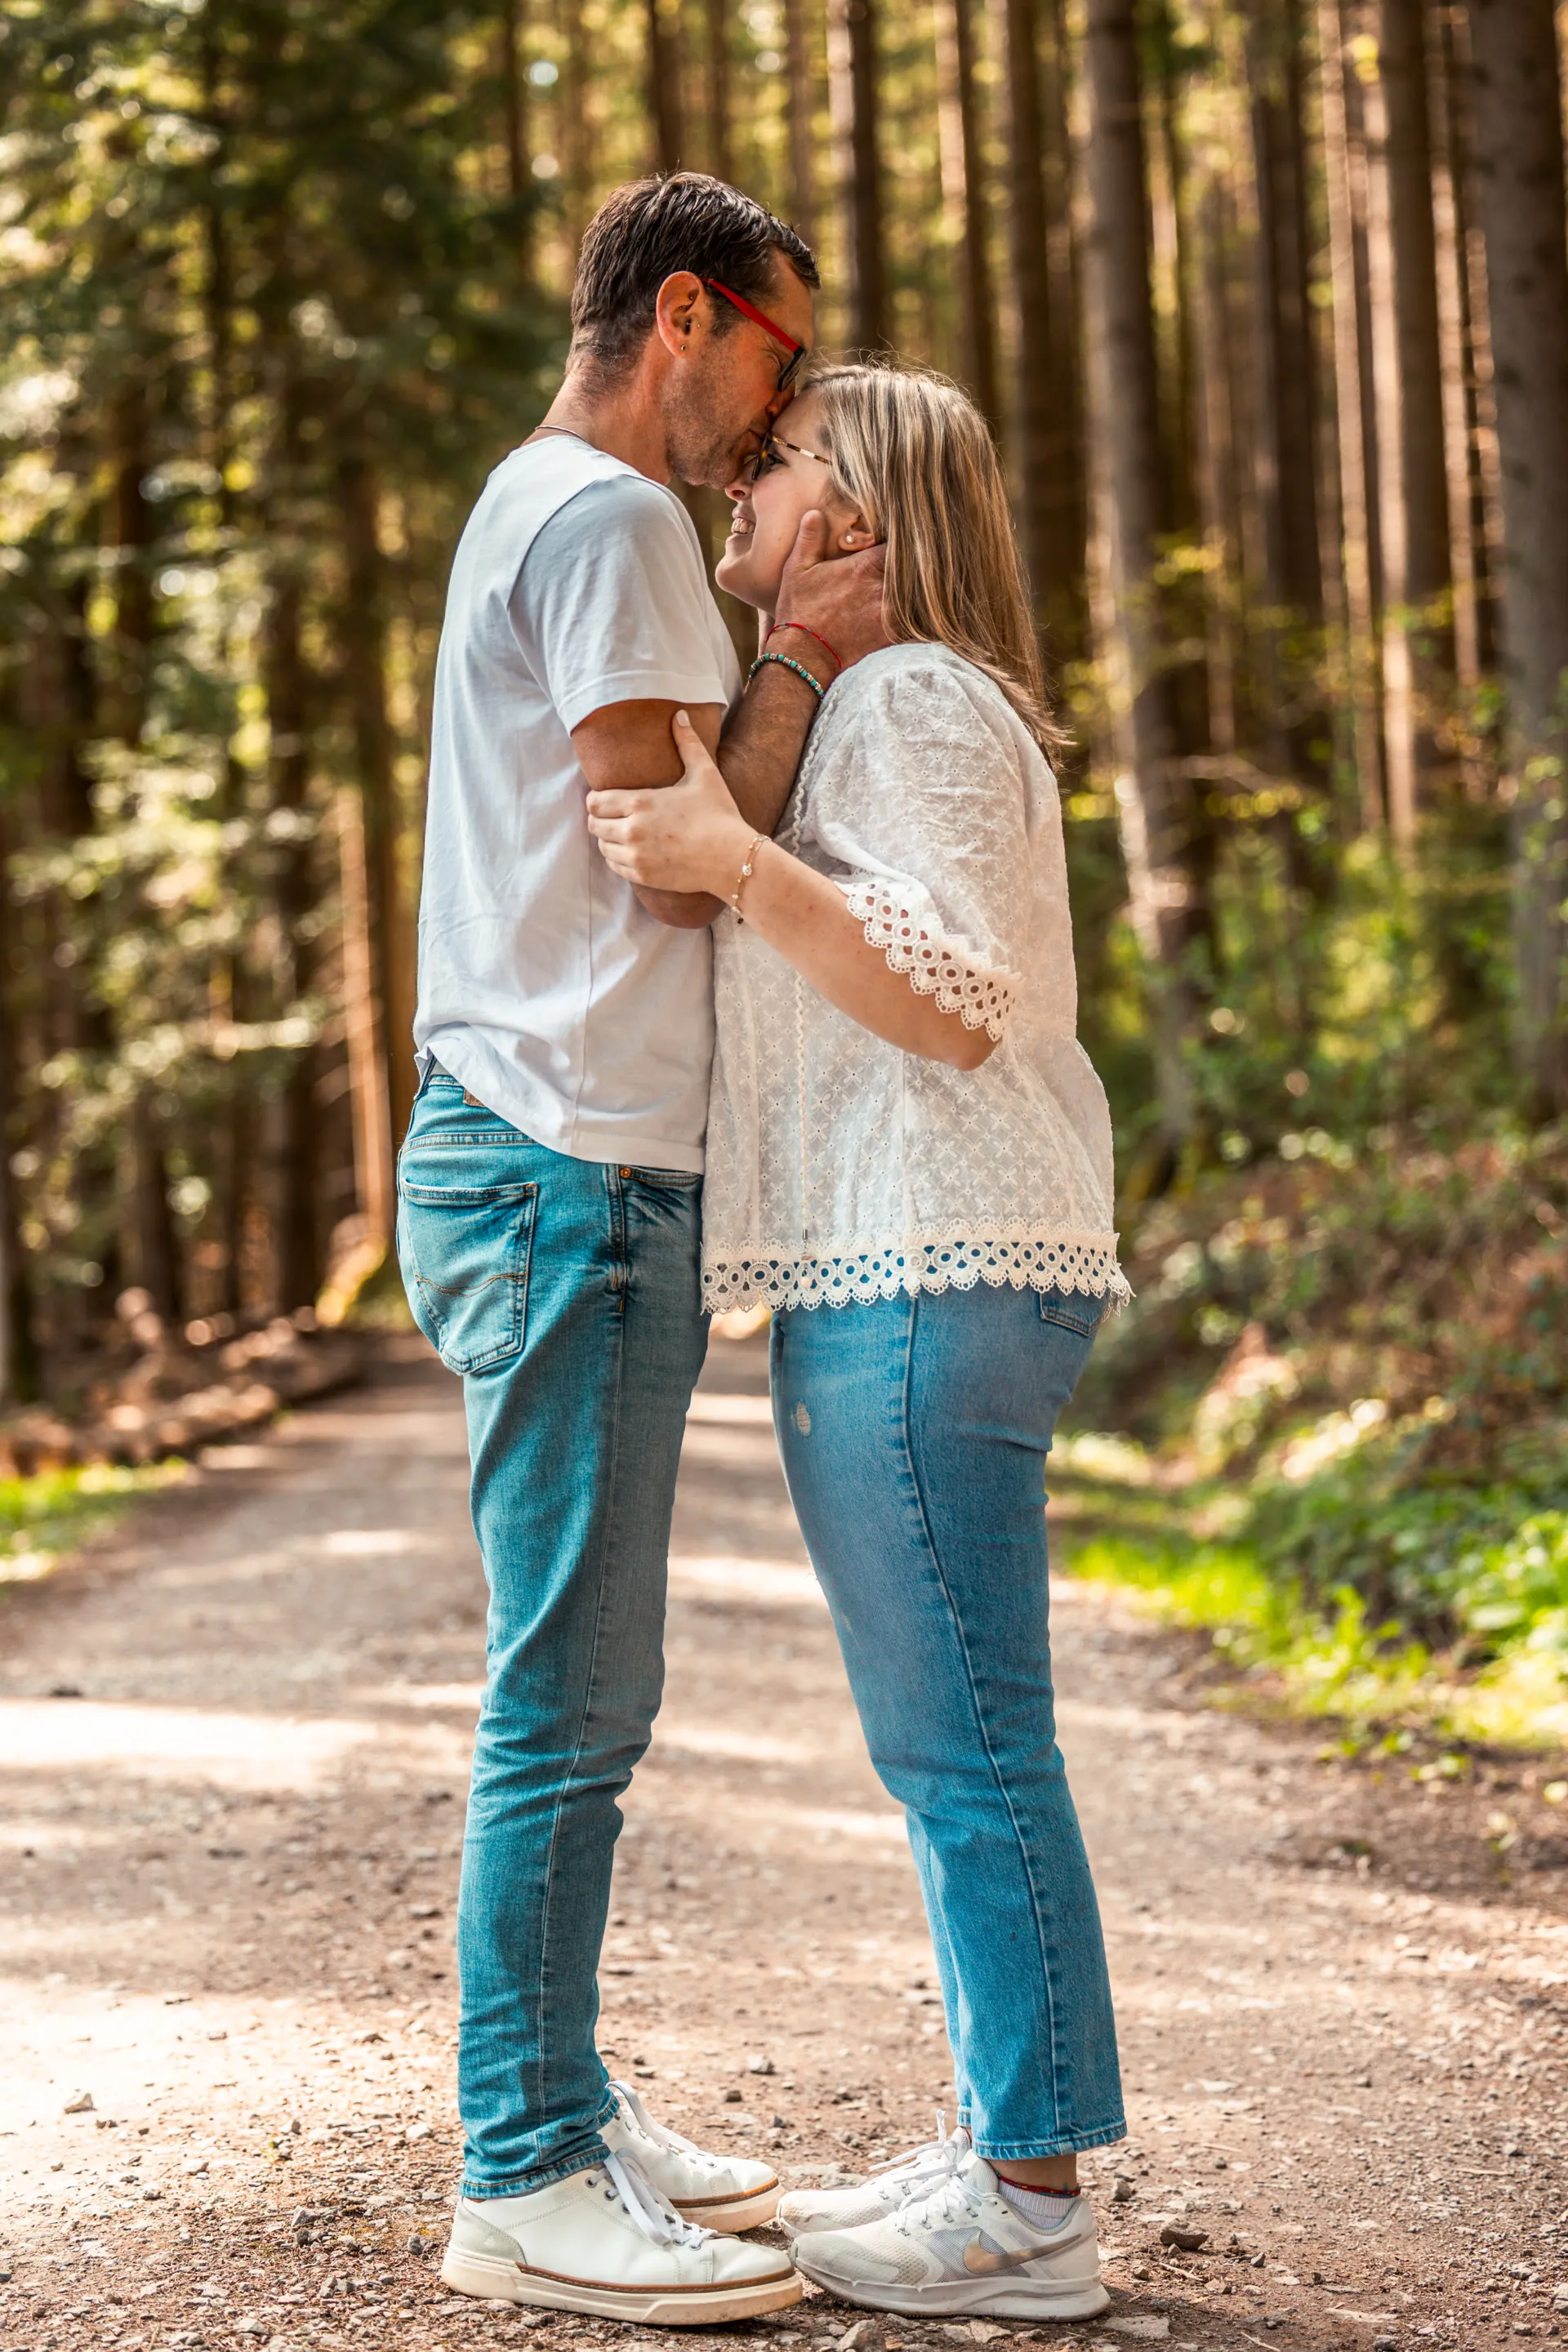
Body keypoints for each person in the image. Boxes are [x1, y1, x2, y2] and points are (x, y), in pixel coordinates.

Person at [586, 363, 1129, 2326]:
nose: (740, 475)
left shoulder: (913, 701)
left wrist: (738, 864)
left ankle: (1031, 2208)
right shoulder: (868, 704)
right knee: (952, 1746)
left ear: (866, 515)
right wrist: (775, 690)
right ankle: (1010, 2145)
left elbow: (957, 994)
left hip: (934, 1261)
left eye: (782, 462)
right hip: (900, 1270)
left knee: (968, 1749)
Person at [399, 175, 887, 2324]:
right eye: (783, 355)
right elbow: (678, 856)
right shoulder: (603, 524)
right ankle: (516, 2168)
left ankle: (567, 2100)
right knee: (570, 1698)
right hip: (564, 1165)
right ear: (685, 313)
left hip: (539, 1153)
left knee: (588, 1685)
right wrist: (805, 651)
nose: (787, 405)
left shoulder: (536, 498)